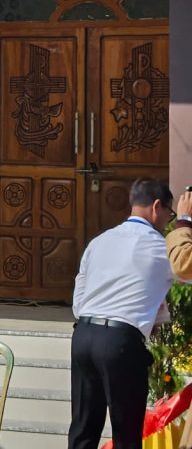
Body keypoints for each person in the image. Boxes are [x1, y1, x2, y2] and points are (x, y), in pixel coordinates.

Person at [68, 178, 176, 449]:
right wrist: (185, 223)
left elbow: (79, 298)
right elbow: (185, 268)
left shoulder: (99, 241)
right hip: (119, 343)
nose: (167, 221)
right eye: (169, 214)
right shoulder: (160, 246)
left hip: (83, 335)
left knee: (83, 429)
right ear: (156, 207)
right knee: (126, 433)